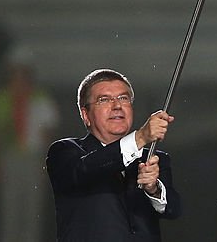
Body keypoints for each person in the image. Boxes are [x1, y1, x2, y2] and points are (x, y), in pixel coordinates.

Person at [46, 69, 182, 242]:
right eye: (104, 100)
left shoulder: (154, 158)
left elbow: (174, 209)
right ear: (85, 115)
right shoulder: (65, 151)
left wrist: (153, 189)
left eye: (123, 98)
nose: (117, 105)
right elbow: (84, 170)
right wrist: (140, 138)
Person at [0, 52, 58, 242]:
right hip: (10, 155)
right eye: (14, 75)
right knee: (10, 207)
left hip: (33, 156)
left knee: (31, 207)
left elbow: (48, 132)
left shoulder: (40, 98)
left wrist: (45, 161)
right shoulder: (2, 99)